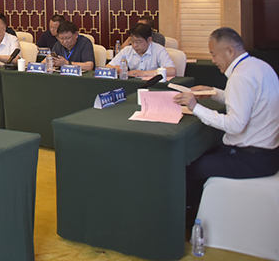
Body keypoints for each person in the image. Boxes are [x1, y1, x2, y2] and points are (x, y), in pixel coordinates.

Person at [173, 28, 279, 225]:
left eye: (214, 54)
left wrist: (195, 107)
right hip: (269, 154)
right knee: (202, 153)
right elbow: (246, 100)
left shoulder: (240, 76)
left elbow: (235, 125)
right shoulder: (259, 66)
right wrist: (213, 92)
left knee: (187, 166)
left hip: (252, 158)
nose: (213, 60)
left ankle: (188, 221)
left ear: (230, 51)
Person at [106, 24, 176, 78]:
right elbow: (107, 67)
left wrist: (143, 73)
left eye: (138, 41)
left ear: (149, 40)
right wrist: (117, 69)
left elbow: (172, 71)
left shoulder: (159, 50)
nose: (135, 45)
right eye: (132, 41)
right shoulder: (127, 50)